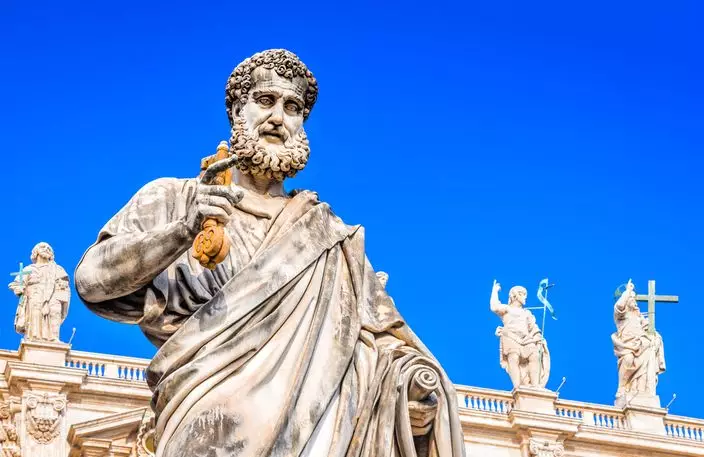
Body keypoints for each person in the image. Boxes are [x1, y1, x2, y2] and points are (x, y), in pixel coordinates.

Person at [75, 49, 464, 457]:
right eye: (265, 100)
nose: (278, 117)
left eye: (292, 107)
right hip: (205, 423)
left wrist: (409, 389)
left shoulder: (328, 236)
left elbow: (384, 342)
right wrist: (183, 230)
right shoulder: (177, 197)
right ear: (236, 111)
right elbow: (91, 281)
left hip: (316, 437)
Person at [612, 280, 665, 405]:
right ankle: (622, 386)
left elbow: (648, 328)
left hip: (641, 345)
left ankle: (640, 389)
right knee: (628, 359)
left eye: (634, 298)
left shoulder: (639, 316)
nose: (634, 300)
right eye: (631, 298)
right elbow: (619, 306)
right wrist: (628, 291)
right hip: (627, 346)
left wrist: (654, 335)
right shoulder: (621, 315)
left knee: (646, 363)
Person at [490, 280, 549, 388]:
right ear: (516, 295)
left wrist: (537, 337)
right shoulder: (507, 309)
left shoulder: (527, 313)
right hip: (510, 337)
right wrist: (495, 291)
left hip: (526, 339)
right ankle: (518, 387)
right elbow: (494, 307)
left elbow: (534, 328)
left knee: (535, 356)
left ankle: (535, 386)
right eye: (523, 295)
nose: (525, 298)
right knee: (514, 358)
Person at [8, 242, 69, 342]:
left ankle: (54, 339)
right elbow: (15, 284)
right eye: (43, 247)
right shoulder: (29, 269)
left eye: (49, 248)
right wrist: (19, 288)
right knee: (35, 319)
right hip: (34, 297)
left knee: (54, 316)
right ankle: (34, 339)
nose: (46, 249)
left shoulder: (58, 269)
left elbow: (64, 286)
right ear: (36, 252)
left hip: (53, 298)